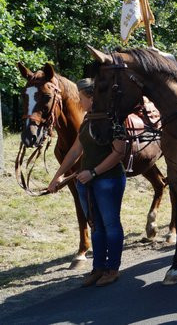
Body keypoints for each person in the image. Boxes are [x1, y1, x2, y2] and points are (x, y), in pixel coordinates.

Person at [47, 79, 126, 287]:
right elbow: (75, 150)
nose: (79, 102)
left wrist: (93, 172)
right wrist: (58, 176)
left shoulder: (113, 119)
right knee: (96, 227)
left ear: (92, 98)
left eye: (81, 98)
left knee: (111, 225)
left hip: (108, 181)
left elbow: (119, 152)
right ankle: (98, 268)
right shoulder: (87, 120)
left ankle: (112, 269)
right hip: (88, 182)